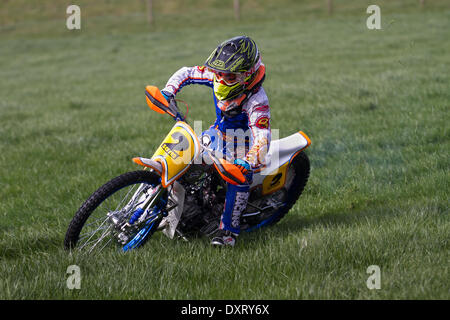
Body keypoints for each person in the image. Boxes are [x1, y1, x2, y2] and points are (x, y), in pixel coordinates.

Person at [160, 36, 271, 247]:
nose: (220, 79)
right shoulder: (217, 76)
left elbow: (263, 138)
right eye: (218, 73)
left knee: (239, 179)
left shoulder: (257, 101)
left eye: (228, 76)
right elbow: (186, 72)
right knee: (181, 155)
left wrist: (248, 161)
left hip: (243, 146)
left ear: (246, 76)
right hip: (215, 134)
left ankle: (228, 231)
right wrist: (169, 91)